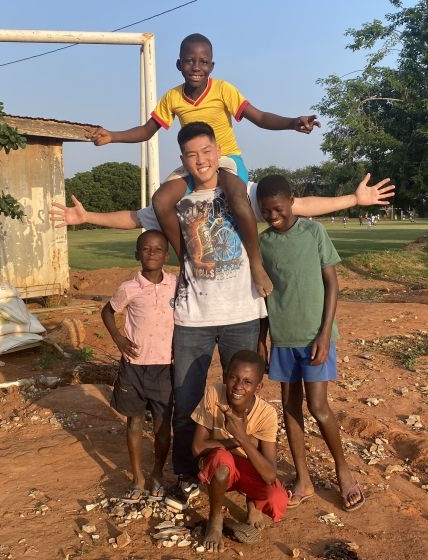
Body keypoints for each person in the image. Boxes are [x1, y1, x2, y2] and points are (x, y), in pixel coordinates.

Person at [51, 121, 394, 501]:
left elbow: (298, 205)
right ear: (183, 160)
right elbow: (134, 217)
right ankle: (186, 472)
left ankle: (251, 473)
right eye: (192, 155)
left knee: (244, 398)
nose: (201, 160)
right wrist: (87, 217)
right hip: (192, 319)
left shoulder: (242, 192)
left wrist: (352, 200)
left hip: (242, 316)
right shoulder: (177, 200)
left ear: (218, 152)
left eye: (207, 151)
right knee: (186, 399)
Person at [89, 33, 319, 298]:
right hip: (194, 162)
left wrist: (293, 122)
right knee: (161, 201)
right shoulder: (172, 97)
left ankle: (256, 265)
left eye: (203, 61)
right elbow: (146, 130)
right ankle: (187, 262)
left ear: (211, 66)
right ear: (178, 65)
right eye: (189, 61)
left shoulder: (223, 90)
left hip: (224, 157)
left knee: (237, 197)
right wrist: (113, 136)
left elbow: (260, 117)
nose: (196, 67)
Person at [256, 175, 365, 513]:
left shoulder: (313, 232)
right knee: (290, 406)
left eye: (278, 209)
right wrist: (262, 339)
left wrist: (324, 332)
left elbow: (332, 284)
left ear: (292, 201)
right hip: (283, 337)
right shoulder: (263, 244)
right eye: (266, 211)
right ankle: (303, 478)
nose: (273, 216)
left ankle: (343, 471)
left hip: (316, 336)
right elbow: (261, 295)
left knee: (318, 407)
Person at [101, 230, 177, 502]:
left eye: (158, 249)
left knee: (161, 426)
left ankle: (157, 473)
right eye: (146, 249)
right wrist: (119, 339)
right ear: (137, 254)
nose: (152, 253)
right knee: (134, 422)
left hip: (165, 367)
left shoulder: (176, 285)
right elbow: (107, 311)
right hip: (134, 367)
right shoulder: (129, 288)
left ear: (166, 255)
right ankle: (137, 477)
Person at [191, 350, 288, 552]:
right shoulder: (214, 394)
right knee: (221, 458)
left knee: (277, 497)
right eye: (233, 377)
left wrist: (243, 437)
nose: (238, 386)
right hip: (220, 468)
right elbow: (198, 448)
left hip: (246, 469)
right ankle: (215, 519)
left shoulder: (266, 414)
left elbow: (269, 474)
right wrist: (237, 441)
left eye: (247, 382)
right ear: (226, 376)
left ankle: (253, 503)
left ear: (258, 386)